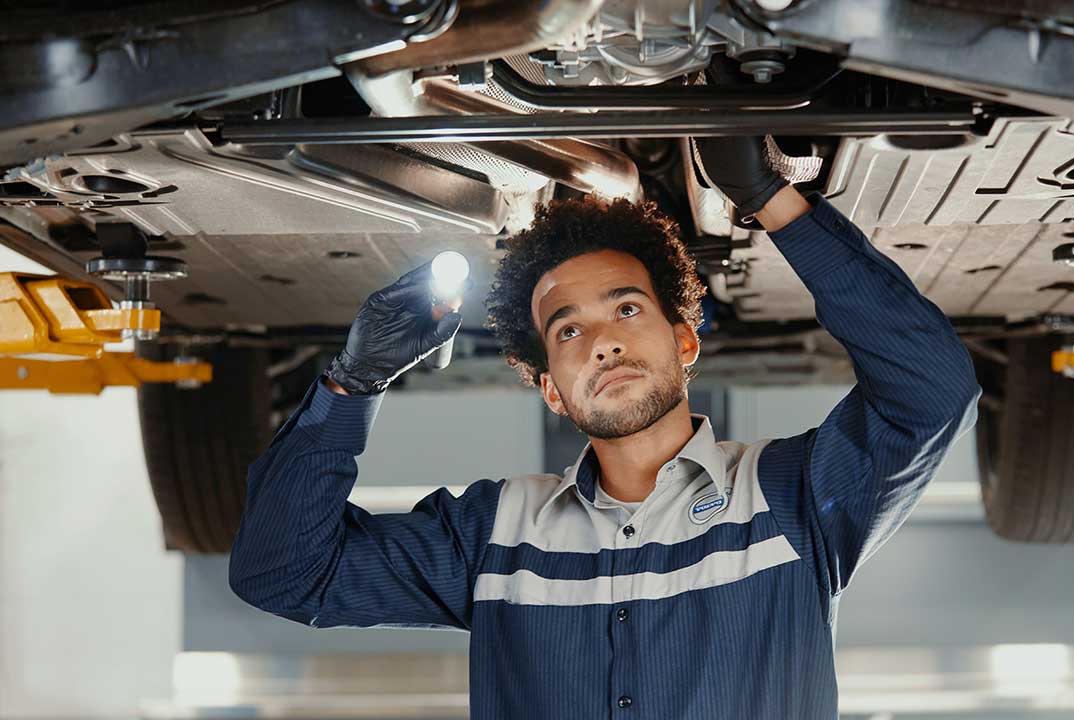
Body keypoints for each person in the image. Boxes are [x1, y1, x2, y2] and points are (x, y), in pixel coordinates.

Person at [228, 131, 981, 719]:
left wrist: (770, 198)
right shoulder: (494, 537)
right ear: (552, 391)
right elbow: (284, 574)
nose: (603, 342)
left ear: (684, 343)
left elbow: (930, 391)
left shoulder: (791, 500)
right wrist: (351, 384)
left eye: (626, 309)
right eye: (567, 331)